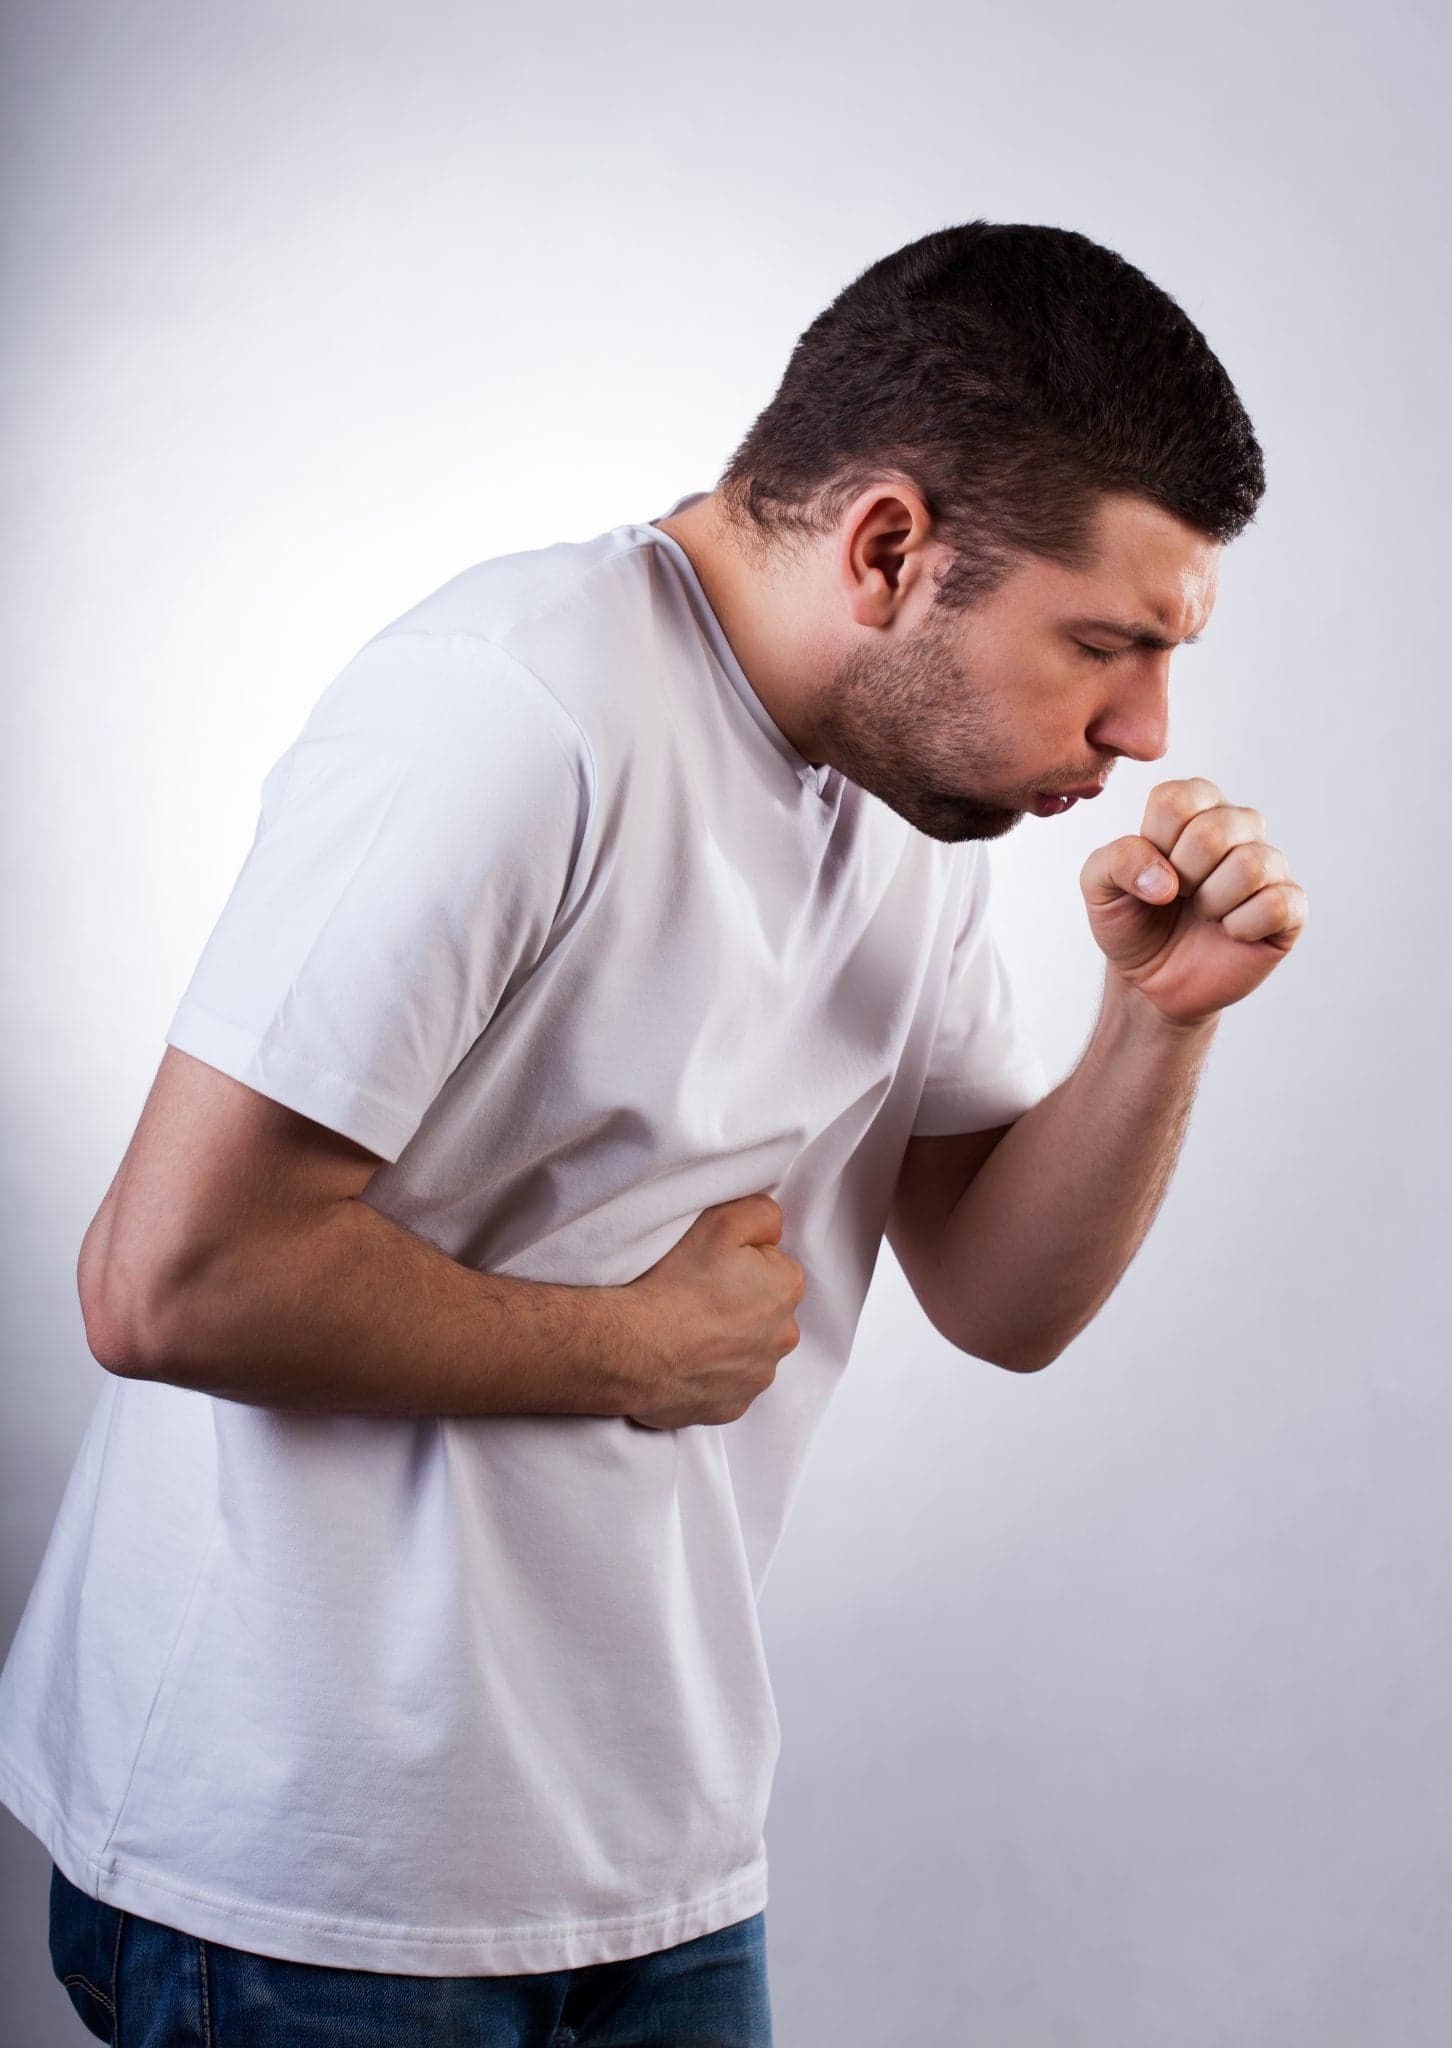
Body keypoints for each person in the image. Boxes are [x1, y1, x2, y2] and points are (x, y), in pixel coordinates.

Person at [1, 219, 1305, 2047]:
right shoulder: (514, 708)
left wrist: (1155, 1023)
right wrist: (632, 1347)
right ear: (887, 549)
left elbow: (1006, 1299)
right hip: (309, 1879)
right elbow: (164, 1281)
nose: (1147, 728)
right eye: (1108, 644)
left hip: (655, 1857)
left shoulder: (904, 795)